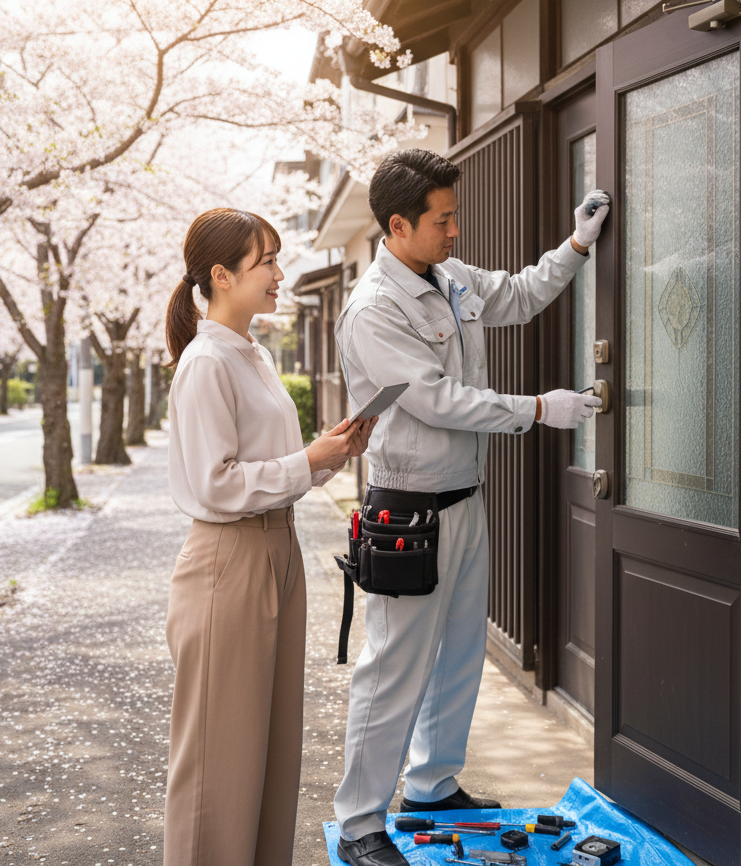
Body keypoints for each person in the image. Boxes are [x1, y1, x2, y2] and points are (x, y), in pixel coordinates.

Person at [332, 150, 609, 866]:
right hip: (407, 510)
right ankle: (361, 819)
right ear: (399, 225)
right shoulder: (374, 310)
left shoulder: (448, 278)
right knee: (394, 667)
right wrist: (540, 408)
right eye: (443, 219)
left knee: (458, 655)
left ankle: (429, 785)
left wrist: (575, 246)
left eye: (455, 217)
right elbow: (437, 400)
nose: (455, 231)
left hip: (464, 499)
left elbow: (516, 294)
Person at [162, 207, 378, 866]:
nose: (280, 275)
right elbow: (217, 483)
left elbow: (274, 470)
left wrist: (326, 456)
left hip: (275, 550)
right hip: (229, 560)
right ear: (222, 276)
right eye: (267, 263)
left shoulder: (250, 353)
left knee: (271, 753)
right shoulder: (206, 363)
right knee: (217, 765)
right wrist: (309, 462)